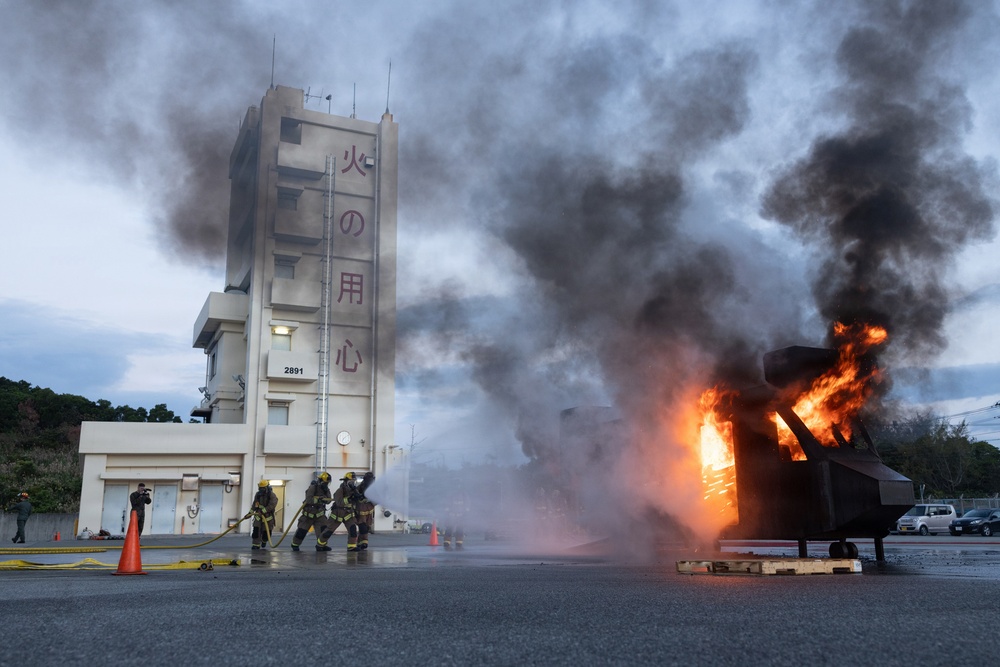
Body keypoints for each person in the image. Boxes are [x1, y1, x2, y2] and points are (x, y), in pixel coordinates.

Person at [290, 472, 333, 552]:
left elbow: (329, 500)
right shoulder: (313, 488)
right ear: (320, 481)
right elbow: (309, 499)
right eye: (325, 482)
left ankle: (321, 546)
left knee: (323, 531)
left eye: (327, 483)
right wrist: (319, 499)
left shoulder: (326, 490)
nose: (326, 484)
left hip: (319, 515)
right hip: (308, 515)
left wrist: (325, 497)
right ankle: (295, 545)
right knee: (301, 531)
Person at [322, 472, 360, 552]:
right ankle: (320, 545)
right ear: (345, 481)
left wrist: (358, 497)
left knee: (353, 529)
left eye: (353, 481)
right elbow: (339, 502)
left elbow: (355, 501)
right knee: (328, 531)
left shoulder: (354, 491)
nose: (352, 483)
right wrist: (349, 499)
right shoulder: (340, 490)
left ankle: (351, 546)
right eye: (350, 482)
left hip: (348, 513)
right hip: (337, 513)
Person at [251, 480, 278, 550]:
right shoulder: (258, 494)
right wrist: (250, 513)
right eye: (260, 488)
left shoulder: (272, 495)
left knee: (266, 532)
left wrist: (263, 511)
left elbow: (272, 505)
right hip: (258, 516)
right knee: (256, 531)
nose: (261, 490)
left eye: (263, 488)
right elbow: (255, 504)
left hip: (268, 517)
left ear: (267, 488)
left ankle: (264, 541)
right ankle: (255, 545)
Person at [354, 472, 376, 550]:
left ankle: (361, 543)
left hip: (369, 511)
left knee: (366, 527)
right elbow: (355, 496)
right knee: (362, 527)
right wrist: (359, 498)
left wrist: (369, 500)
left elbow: (378, 500)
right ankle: (364, 542)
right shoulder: (360, 487)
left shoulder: (374, 488)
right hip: (361, 510)